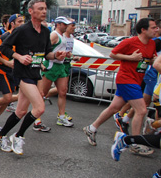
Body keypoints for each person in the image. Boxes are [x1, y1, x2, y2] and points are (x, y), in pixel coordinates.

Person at [0, 0, 64, 155]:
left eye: (45, 8)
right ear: (31, 11)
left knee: (21, 112)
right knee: (39, 108)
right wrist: (18, 57)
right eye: (40, 8)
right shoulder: (22, 30)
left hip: (35, 73)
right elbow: (4, 47)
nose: (44, 11)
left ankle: (0, 136)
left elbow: (46, 54)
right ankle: (18, 136)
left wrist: (56, 55)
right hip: (22, 74)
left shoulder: (46, 32)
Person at [83, 18, 159, 147]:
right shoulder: (130, 42)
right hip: (126, 79)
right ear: (143, 30)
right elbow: (113, 54)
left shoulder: (152, 44)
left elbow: (148, 60)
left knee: (114, 108)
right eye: (153, 27)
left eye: (157, 27)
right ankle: (135, 143)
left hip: (137, 79)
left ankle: (92, 128)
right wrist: (130, 57)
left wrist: (153, 61)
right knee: (141, 110)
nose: (156, 30)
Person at [36, 17, 75, 129]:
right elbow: (43, 48)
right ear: (58, 24)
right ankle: (36, 119)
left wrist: (66, 54)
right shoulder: (54, 35)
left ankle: (61, 117)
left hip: (60, 66)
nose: (66, 26)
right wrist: (45, 61)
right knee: (42, 93)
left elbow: (59, 49)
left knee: (63, 92)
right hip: (51, 66)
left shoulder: (63, 36)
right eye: (64, 24)